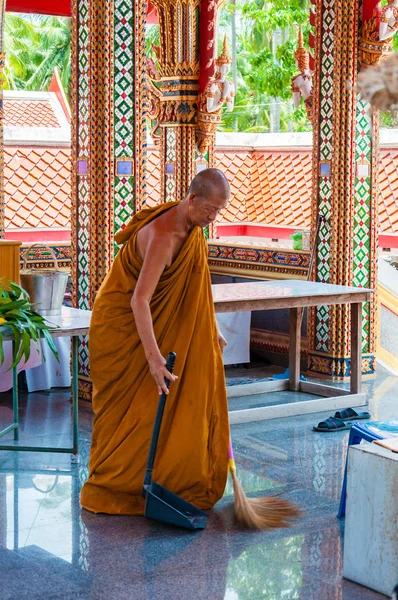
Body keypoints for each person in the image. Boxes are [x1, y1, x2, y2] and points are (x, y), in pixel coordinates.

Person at [80, 168, 231, 515]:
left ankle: (167, 477)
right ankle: (117, 481)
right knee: (130, 411)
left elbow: (197, 286)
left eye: (219, 212)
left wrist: (213, 325)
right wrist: (154, 359)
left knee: (161, 406)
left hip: (148, 322)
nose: (213, 218)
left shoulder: (193, 229)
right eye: (210, 210)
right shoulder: (164, 235)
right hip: (123, 327)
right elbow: (139, 300)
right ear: (192, 199)